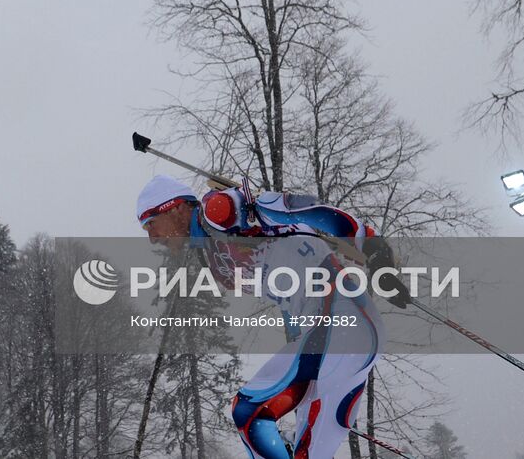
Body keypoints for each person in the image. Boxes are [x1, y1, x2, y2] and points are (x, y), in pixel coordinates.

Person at [136, 174, 403, 459]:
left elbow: (300, 209)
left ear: (175, 207)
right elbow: (288, 286)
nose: (152, 239)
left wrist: (369, 242)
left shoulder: (217, 211)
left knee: (250, 413)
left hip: (342, 324)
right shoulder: (211, 255)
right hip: (342, 332)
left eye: (151, 223)